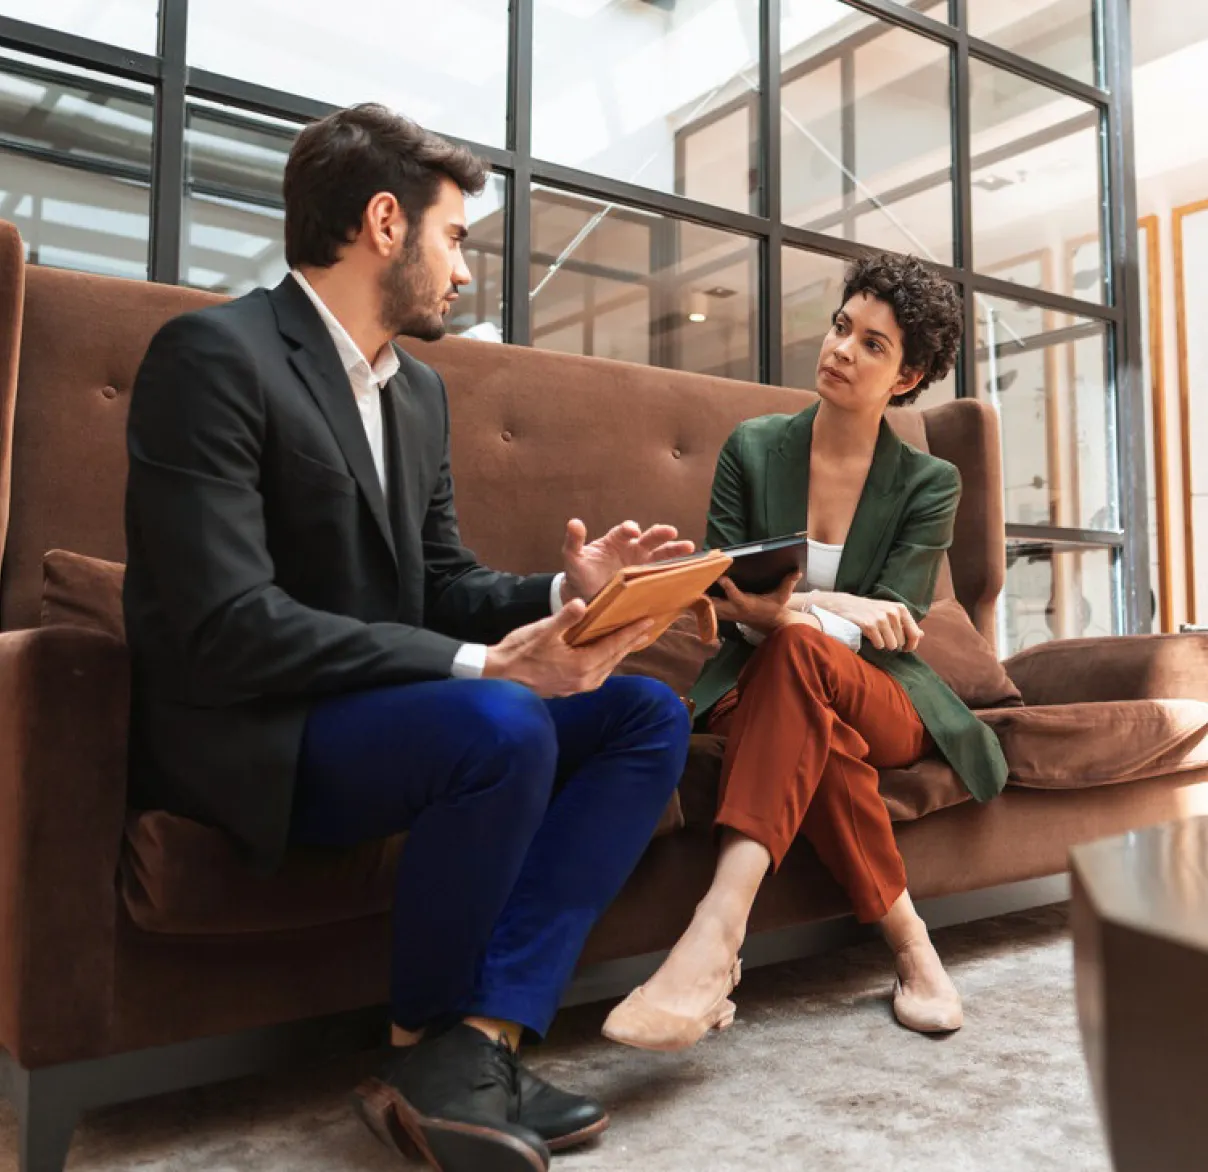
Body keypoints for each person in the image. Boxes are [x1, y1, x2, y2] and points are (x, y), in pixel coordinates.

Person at [124, 103, 694, 1172]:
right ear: (385, 221)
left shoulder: (418, 392)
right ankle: (417, 1041)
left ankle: (470, 1046)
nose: (464, 272)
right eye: (455, 238)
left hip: (389, 715)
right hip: (260, 729)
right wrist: (490, 662)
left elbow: (435, 581)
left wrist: (559, 586)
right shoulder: (211, 355)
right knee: (503, 720)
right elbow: (225, 624)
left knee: (642, 715)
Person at [601, 253, 1008, 1053]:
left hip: (881, 693)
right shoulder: (753, 449)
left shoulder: (929, 482)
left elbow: (893, 624)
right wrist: (831, 605)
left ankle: (717, 935)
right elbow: (717, 593)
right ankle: (910, 946)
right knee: (805, 703)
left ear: (908, 375)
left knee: (800, 656)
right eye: (840, 327)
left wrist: (800, 610)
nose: (842, 351)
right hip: (755, 680)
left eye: (873, 345)